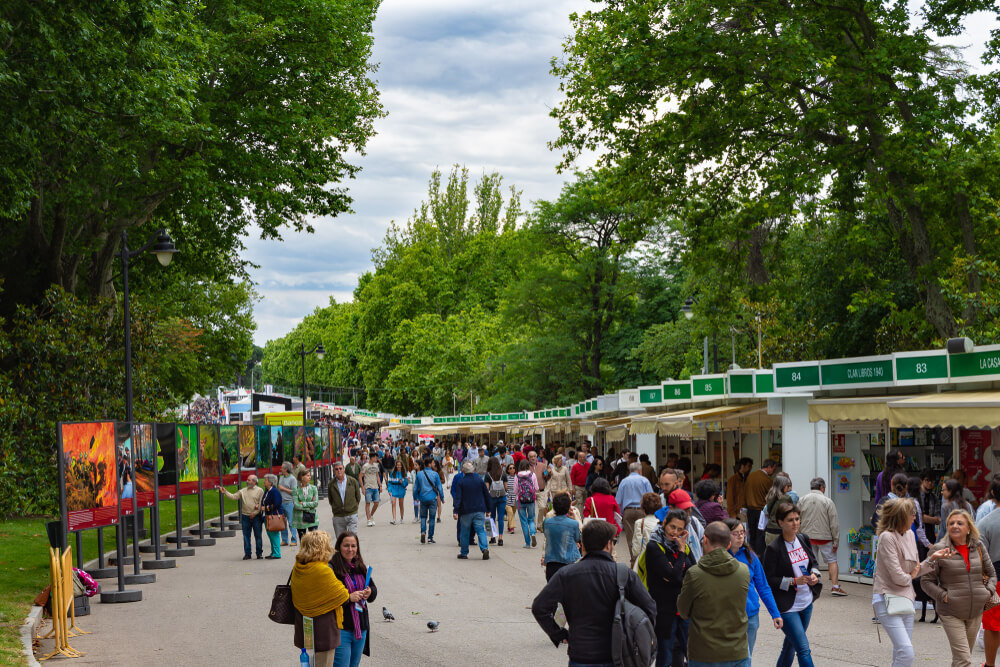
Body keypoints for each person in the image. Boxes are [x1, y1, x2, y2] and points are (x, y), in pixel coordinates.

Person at [532, 520, 657, 666]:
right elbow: (650, 609)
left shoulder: (566, 574)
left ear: (583, 546)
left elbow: (539, 607)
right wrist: (638, 637)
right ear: (608, 544)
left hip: (580, 655)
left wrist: (559, 634)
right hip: (617, 655)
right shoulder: (624, 574)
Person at [873, 498, 949, 667]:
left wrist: (932, 559)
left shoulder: (909, 534)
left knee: (901, 651)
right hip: (886, 599)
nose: (915, 518)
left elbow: (916, 569)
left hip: (906, 598)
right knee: (906, 652)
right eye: (913, 514)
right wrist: (913, 573)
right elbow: (899, 577)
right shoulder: (886, 537)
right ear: (901, 516)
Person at [922, 508, 997, 667]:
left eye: (960, 523)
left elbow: (992, 574)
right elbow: (926, 581)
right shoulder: (939, 549)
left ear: (969, 528)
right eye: (951, 523)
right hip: (951, 612)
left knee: (961, 659)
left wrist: (987, 592)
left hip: (975, 611)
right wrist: (943, 596)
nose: (955, 526)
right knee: (964, 660)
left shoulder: (978, 547)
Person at [677, 521, 751, 667]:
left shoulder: (695, 574)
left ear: (705, 540)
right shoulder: (743, 571)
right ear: (729, 544)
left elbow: (683, 611)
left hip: (704, 653)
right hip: (737, 650)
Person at [763, 502, 822, 667]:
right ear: (781, 522)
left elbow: (814, 563)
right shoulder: (774, 548)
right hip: (787, 606)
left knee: (790, 645)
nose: (795, 523)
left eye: (797, 519)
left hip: (806, 601)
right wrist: (793, 581)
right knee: (803, 649)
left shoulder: (803, 539)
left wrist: (814, 575)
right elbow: (769, 579)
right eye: (790, 520)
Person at [723, 517, 782, 658]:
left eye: (742, 532)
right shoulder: (720, 557)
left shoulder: (751, 556)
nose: (740, 536)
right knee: (733, 657)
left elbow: (763, 587)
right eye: (735, 533)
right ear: (725, 535)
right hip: (727, 617)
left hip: (750, 615)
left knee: (746, 657)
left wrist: (775, 614)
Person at [645, 509, 696, 667]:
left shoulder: (684, 546)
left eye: (680, 529)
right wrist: (680, 554)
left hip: (684, 609)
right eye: (672, 527)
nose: (675, 532)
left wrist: (675, 576)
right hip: (664, 610)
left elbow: (694, 572)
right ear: (664, 523)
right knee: (665, 654)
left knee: (689, 652)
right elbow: (674, 575)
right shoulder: (654, 546)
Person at [291, 531, 350, 667]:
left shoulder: (299, 567)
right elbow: (343, 595)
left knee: (308, 663)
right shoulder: (322, 570)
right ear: (321, 548)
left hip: (305, 626)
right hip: (323, 629)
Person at [329, 532, 376, 667]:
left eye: (353, 546)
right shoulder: (332, 569)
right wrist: (348, 598)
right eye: (346, 546)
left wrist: (370, 592)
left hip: (361, 628)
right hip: (341, 629)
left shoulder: (360, 566)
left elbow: (373, 590)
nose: (350, 549)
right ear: (339, 547)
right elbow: (329, 597)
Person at [797, 477, 845, 597]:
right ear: (822, 488)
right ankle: (835, 587)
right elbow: (834, 522)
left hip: (806, 537)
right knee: (832, 561)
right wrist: (836, 540)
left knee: (809, 562)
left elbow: (797, 518)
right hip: (825, 537)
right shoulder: (828, 501)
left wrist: (798, 536)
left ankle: (809, 585)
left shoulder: (802, 500)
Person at [978, 478, 1000, 667]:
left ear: (993, 494)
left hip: (996, 579)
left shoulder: (985, 523)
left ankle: (990, 664)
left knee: (993, 626)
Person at [616, 461, 656, 561]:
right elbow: (651, 496)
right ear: (639, 470)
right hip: (642, 511)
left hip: (628, 511)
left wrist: (620, 514)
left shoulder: (624, 481)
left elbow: (618, 500)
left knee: (630, 537)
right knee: (644, 534)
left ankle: (633, 559)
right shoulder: (644, 480)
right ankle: (643, 559)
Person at [453, 461, 491, 560]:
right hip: (479, 509)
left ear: (463, 471)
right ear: (473, 470)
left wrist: (455, 511)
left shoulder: (461, 482)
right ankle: (484, 548)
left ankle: (464, 552)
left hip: (465, 511)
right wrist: (488, 508)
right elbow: (486, 494)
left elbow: (458, 498)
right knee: (480, 530)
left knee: (465, 532)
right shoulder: (479, 480)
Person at [220, 474, 264, 560]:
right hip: (245, 516)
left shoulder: (260, 491)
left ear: (254, 482)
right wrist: (225, 492)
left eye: (249, 480)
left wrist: (255, 513)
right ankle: (247, 553)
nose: (247, 481)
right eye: (247, 480)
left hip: (256, 517)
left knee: (258, 535)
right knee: (246, 536)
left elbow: (261, 504)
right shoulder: (243, 491)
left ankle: (259, 553)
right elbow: (233, 496)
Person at [542, 492, 582, 580]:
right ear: (568, 507)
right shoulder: (573, 523)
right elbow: (578, 538)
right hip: (568, 563)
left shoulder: (547, 522)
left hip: (551, 563)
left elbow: (547, 535)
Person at [745, 459, 778, 556]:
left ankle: (751, 554)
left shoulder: (750, 476)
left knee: (752, 534)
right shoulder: (767, 480)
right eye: (774, 469)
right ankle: (759, 556)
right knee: (760, 535)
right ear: (768, 467)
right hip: (761, 511)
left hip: (750, 510)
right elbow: (771, 497)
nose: (774, 472)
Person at [413, 454, 445, 544]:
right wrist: (442, 498)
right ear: (430, 464)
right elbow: (440, 487)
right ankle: (430, 538)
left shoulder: (419, 474)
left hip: (422, 498)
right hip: (432, 498)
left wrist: (416, 497)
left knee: (423, 517)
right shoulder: (435, 474)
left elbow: (416, 488)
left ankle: (423, 532)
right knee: (431, 518)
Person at [328, 461, 362, 541]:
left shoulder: (352, 481)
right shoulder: (331, 484)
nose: (339, 471)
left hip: (351, 514)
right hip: (338, 516)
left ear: (344, 469)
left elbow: (358, 496)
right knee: (340, 540)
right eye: (336, 469)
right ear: (334, 471)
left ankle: (353, 553)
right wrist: (336, 508)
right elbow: (331, 499)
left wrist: (353, 507)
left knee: (352, 539)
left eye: (340, 468)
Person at [631, 492, 663, 566]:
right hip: (659, 561)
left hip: (643, 562)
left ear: (643, 507)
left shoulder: (640, 523)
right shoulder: (662, 523)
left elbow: (636, 550)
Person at [516, 459, 541, 548]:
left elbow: (515, 490)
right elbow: (537, 488)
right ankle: (533, 533)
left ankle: (527, 543)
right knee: (531, 519)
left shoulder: (517, 476)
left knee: (523, 521)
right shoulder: (532, 475)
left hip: (520, 500)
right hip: (531, 500)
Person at [763, 473, 793, 547]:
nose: (788, 488)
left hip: (770, 529)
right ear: (783, 486)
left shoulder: (769, 497)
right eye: (787, 486)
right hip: (781, 529)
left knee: (771, 553)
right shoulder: (786, 498)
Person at [261, 474, 285, 559]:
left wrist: (266, 508)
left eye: (266, 480)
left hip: (273, 516)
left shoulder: (274, 491)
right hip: (268, 516)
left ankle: (277, 553)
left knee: (274, 534)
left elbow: (277, 504)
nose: (264, 481)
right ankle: (273, 552)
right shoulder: (267, 490)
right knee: (271, 534)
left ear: (270, 482)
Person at [484, 456, 506, 546]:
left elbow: (487, 488)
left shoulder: (488, 475)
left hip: (492, 498)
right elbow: (506, 487)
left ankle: (493, 537)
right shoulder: (503, 474)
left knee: (492, 517)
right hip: (502, 497)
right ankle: (500, 538)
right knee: (500, 518)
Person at [293, 469, 320, 540]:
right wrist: (310, 505)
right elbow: (296, 505)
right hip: (300, 519)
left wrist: (304, 504)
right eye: (307, 475)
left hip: (312, 517)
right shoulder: (295, 489)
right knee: (303, 542)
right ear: (302, 477)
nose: (310, 477)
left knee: (314, 541)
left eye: (310, 475)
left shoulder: (313, 488)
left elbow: (316, 503)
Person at [278, 462, 299, 547]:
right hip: (281, 503)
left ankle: (294, 539)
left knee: (291, 522)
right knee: (282, 522)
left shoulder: (292, 479)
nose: (280, 469)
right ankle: (284, 540)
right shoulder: (281, 478)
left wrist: (283, 488)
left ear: (286, 469)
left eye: (282, 468)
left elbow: (294, 492)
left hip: (289, 503)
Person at [527, 450, 550, 529]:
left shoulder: (542, 465)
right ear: (528, 458)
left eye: (534, 456)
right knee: (531, 510)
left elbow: (546, 477)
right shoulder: (526, 466)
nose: (533, 458)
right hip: (530, 491)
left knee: (542, 507)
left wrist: (548, 472)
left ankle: (539, 524)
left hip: (541, 490)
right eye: (531, 457)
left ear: (537, 457)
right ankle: (533, 525)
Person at [919, 470, 942, 544]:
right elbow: (918, 517)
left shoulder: (935, 497)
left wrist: (924, 518)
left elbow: (938, 520)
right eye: (927, 480)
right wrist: (933, 519)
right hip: (918, 534)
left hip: (930, 534)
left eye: (932, 481)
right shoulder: (916, 496)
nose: (930, 483)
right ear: (921, 480)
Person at [360, 454, 382, 527]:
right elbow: (360, 477)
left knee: (376, 502)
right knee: (368, 503)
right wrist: (362, 487)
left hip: (375, 487)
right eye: (375, 458)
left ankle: (371, 515)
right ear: (372, 458)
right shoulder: (365, 466)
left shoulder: (376, 465)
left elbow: (377, 476)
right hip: (368, 487)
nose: (376, 459)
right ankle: (368, 520)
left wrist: (380, 485)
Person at [386, 458, 408, 525]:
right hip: (394, 490)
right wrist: (389, 490)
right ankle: (394, 519)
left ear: (401, 466)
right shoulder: (393, 473)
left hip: (401, 490)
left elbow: (406, 484)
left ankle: (401, 518)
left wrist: (402, 482)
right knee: (393, 503)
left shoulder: (404, 473)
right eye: (397, 465)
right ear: (396, 466)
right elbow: (389, 482)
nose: (398, 466)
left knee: (401, 505)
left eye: (399, 465)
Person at [570, 449, 590, 514]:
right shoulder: (575, 466)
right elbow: (572, 477)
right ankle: (580, 518)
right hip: (578, 487)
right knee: (579, 502)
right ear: (579, 458)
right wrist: (572, 488)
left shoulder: (588, 465)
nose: (584, 459)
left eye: (585, 457)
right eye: (583, 457)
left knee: (585, 502)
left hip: (586, 486)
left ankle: (584, 516)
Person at [503, 462, 518, 535]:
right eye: (510, 468)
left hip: (515, 497)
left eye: (513, 468)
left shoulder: (517, 477)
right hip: (507, 497)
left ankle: (509, 525)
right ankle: (512, 527)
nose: (512, 469)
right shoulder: (506, 477)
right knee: (510, 512)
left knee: (513, 512)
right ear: (508, 470)